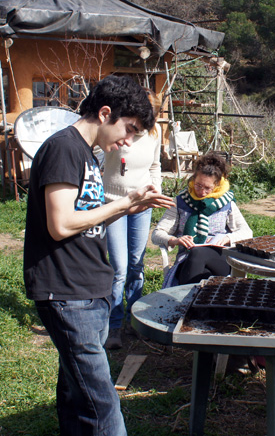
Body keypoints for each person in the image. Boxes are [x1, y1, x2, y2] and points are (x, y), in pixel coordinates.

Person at [23, 75, 174, 436]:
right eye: (129, 129)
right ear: (105, 114)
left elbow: (86, 214)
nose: (128, 141)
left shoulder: (86, 153)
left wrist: (130, 207)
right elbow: (61, 224)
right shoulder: (64, 149)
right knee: (102, 405)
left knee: (77, 395)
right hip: (67, 292)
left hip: (89, 289)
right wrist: (123, 203)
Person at [101, 89, 162, 351]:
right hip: (113, 203)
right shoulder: (118, 129)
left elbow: (155, 166)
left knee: (137, 264)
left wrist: (155, 191)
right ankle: (114, 325)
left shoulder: (154, 133)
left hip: (142, 205)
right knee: (119, 267)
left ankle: (135, 320)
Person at [151, 151, 252, 287]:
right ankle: (203, 297)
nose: (202, 192)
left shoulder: (226, 203)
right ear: (193, 179)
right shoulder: (180, 202)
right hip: (187, 260)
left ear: (217, 185)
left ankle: (185, 297)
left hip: (219, 259)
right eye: (198, 185)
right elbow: (157, 234)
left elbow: (247, 233)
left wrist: (228, 238)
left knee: (197, 253)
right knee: (201, 267)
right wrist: (175, 240)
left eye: (208, 188)